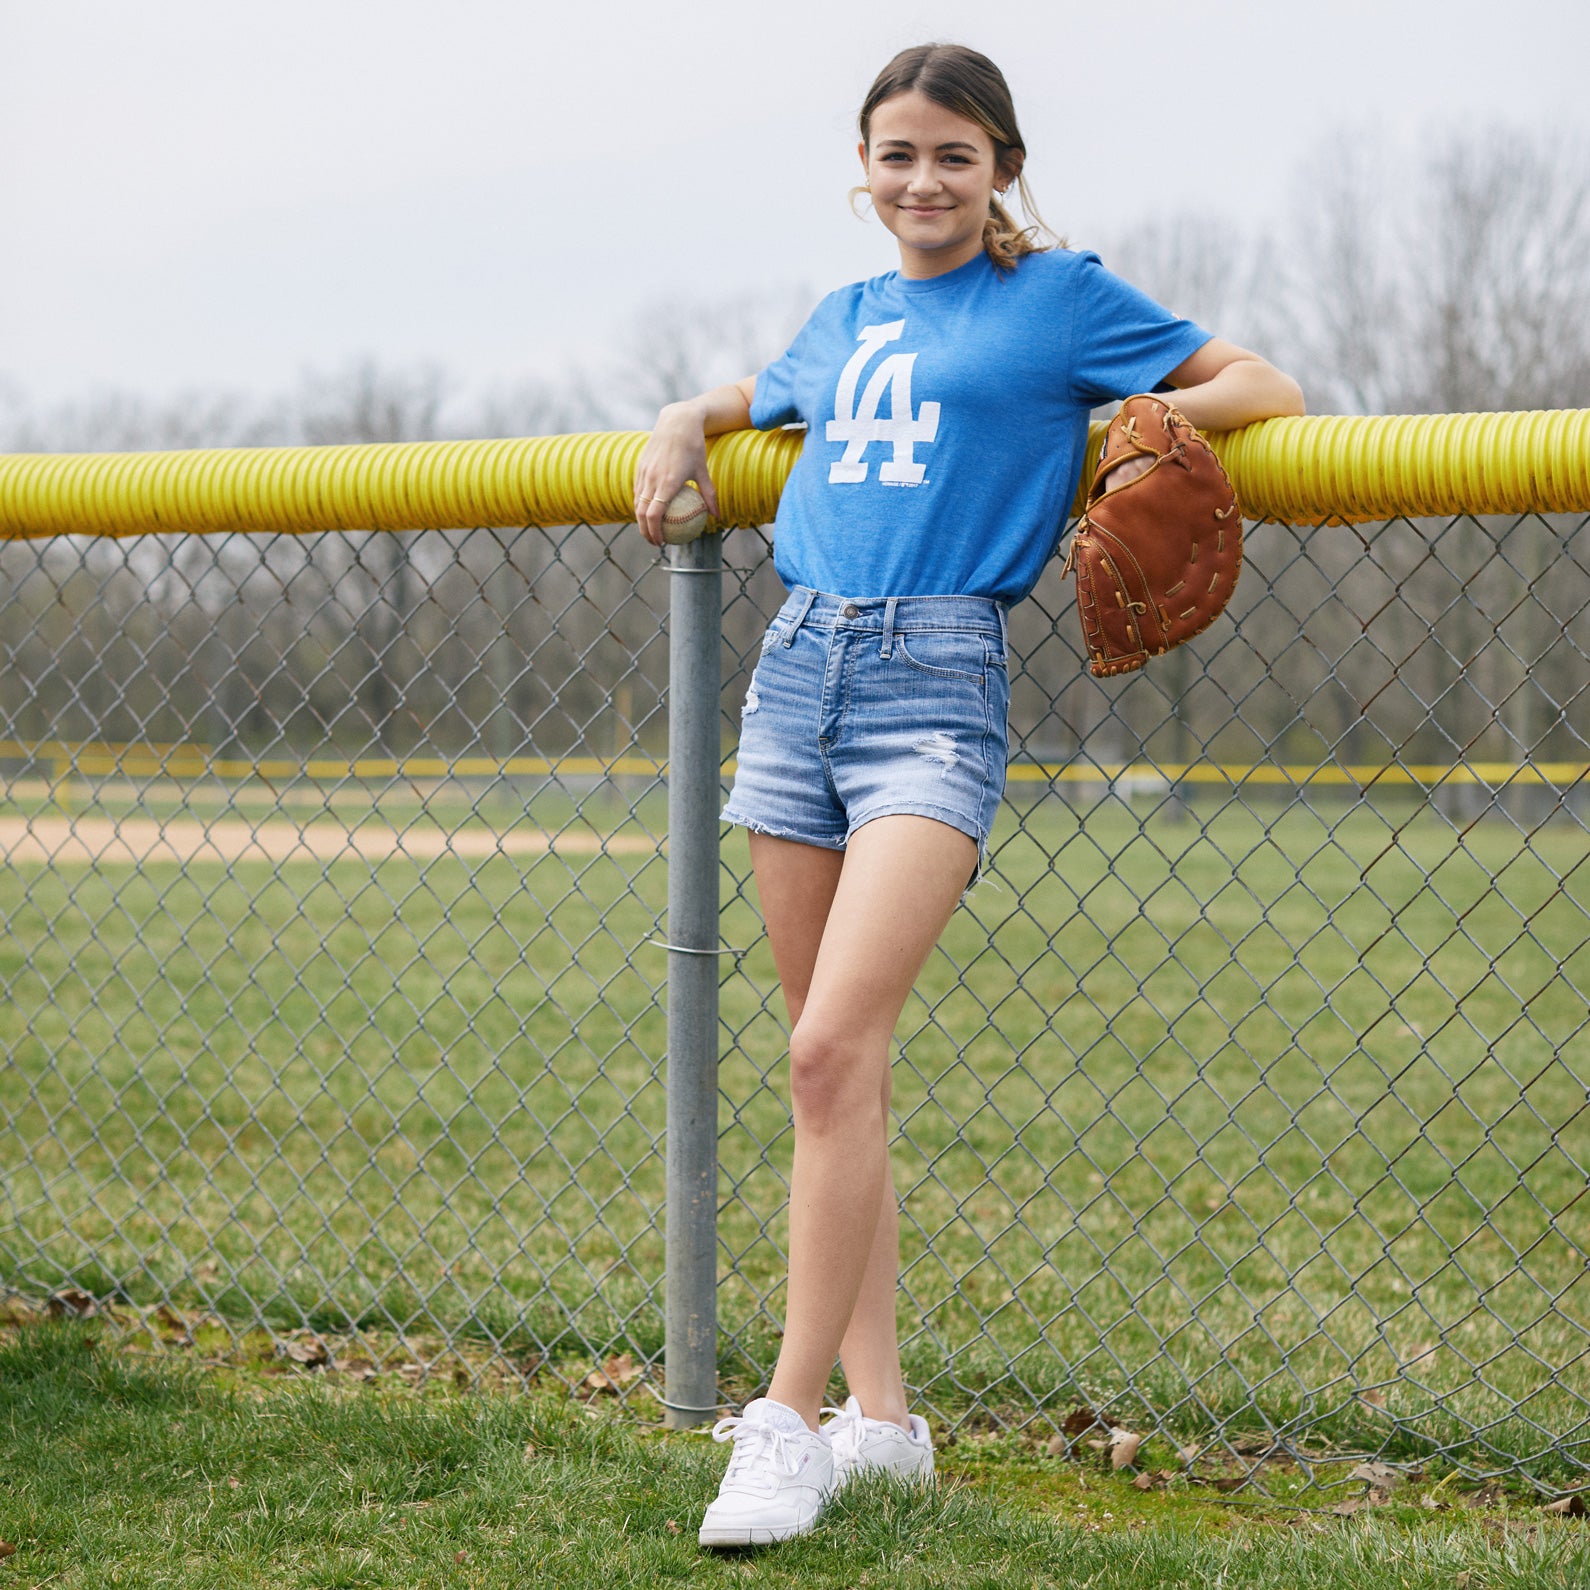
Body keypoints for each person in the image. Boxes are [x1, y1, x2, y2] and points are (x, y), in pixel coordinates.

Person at [633, 42, 1304, 1549]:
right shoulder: (843, 315)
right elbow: (756, 392)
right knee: (834, 1076)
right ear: (859, 173)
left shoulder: (1058, 298)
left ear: (1001, 164)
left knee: (824, 1050)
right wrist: (686, 414)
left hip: (936, 678)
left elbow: (1255, 379)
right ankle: (884, 1421)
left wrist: (1151, 433)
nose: (922, 180)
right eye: (895, 155)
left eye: (952, 154)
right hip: (798, 670)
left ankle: (782, 1422)